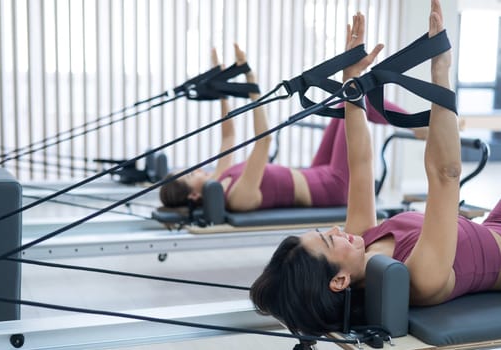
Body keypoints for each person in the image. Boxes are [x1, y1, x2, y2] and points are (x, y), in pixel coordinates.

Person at [249, 0, 501, 337]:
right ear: (339, 280)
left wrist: (351, 84)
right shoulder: (418, 278)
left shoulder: (363, 242)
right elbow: (446, 175)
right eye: (328, 239)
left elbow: (361, 164)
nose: (337, 229)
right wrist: (441, 69)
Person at [159, 44, 410, 212]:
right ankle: (416, 125)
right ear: (193, 197)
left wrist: (221, 85)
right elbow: (264, 141)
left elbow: (229, 135)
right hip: (333, 187)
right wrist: (251, 84)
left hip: (317, 172)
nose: (199, 169)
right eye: (191, 174)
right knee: (352, 99)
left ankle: (413, 125)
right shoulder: (236, 196)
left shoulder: (220, 180)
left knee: (343, 100)